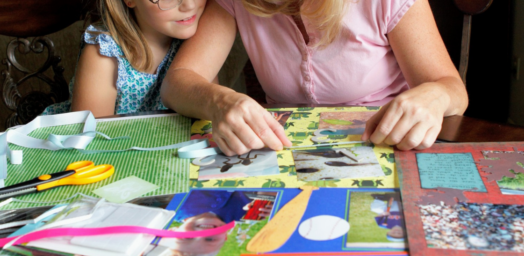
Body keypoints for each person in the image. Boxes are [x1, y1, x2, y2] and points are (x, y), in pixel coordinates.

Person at [161, 0, 468, 154]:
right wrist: (220, 101)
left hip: (384, 144)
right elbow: (178, 81)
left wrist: (434, 97)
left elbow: (453, 90)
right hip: (279, 152)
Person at [42, 0, 208, 117]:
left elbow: (207, 114)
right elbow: (91, 141)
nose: (190, 5)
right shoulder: (105, 53)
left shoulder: (201, 39)